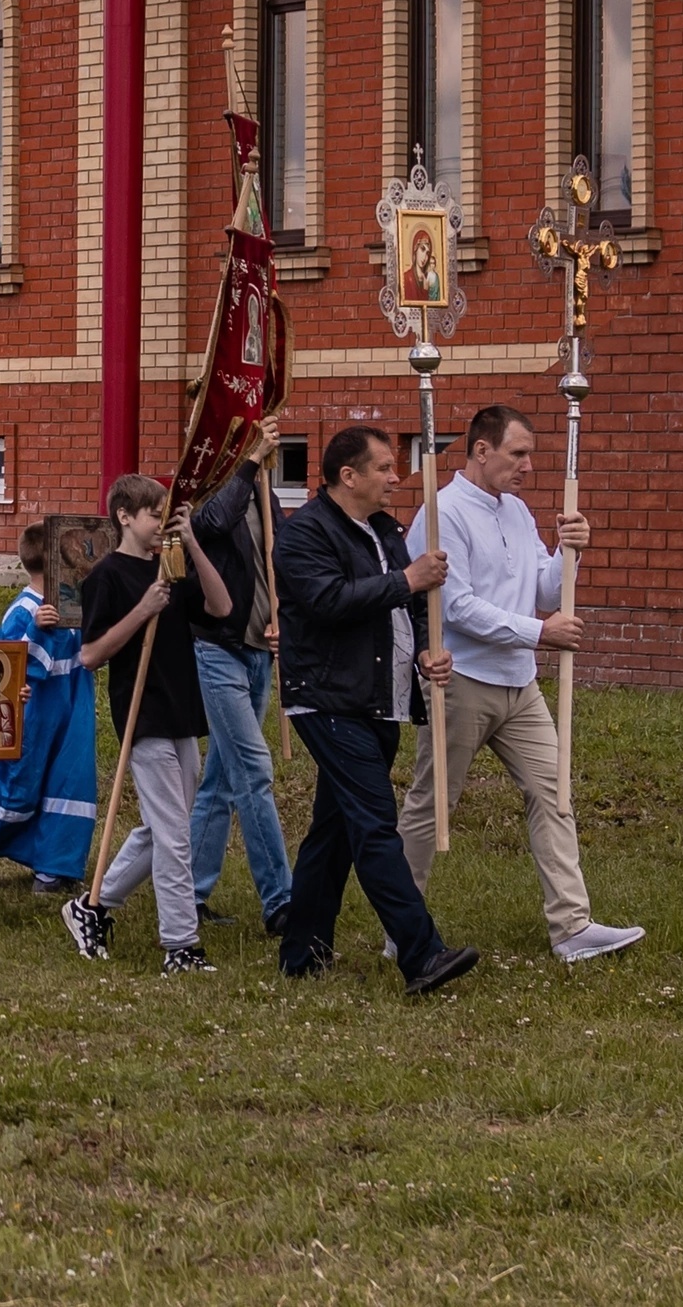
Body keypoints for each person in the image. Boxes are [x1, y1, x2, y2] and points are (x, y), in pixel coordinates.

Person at [400, 405, 642, 964]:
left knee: (554, 794)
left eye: (530, 454)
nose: (528, 465)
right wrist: (539, 632)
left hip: (520, 684)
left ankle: (572, 927)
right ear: (481, 451)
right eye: (518, 453)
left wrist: (567, 551)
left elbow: (546, 591)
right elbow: (453, 606)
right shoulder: (443, 513)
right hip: (462, 679)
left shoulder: (517, 511)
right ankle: (403, 924)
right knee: (433, 803)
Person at [273, 425, 477, 996]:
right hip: (328, 699)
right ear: (349, 476)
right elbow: (329, 602)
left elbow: (405, 608)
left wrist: (426, 655)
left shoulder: (385, 531)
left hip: (379, 701)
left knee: (332, 832)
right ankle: (422, 953)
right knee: (374, 826)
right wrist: (406, 578)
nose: (395, 477)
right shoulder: (303, 535)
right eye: (385, 468)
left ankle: (302, 953)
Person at [61, 477, 231, 974]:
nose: (161, 523)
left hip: (182, 710)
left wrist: (192, 541)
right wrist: (143, 610)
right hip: (144, 713)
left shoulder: (171, 566)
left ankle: (90, 906)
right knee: (176, 835)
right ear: (124, 517)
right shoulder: (107, 577)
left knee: (162, 830)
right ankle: (180, 945)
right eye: (155, 515)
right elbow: (90, 655)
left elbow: (221, 608)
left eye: (166, 515)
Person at [187, 424, 295, 937]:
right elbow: (210, 525)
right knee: (253, 771)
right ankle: (282, 903)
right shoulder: (203, 491)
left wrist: (281, 619)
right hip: (217, 649)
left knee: (222, 779)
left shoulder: (263, 492)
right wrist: (249, 464)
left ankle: (188, 891)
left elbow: (279, 562)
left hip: (257, 652)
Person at [0, 525, 97, 892]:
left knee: (72, 782)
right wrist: (37, 630)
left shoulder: (73, 604)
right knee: (22, 786)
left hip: (75, 705)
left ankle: (55, 868)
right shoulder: (23, 610)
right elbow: (10, 666)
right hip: (35, 712)